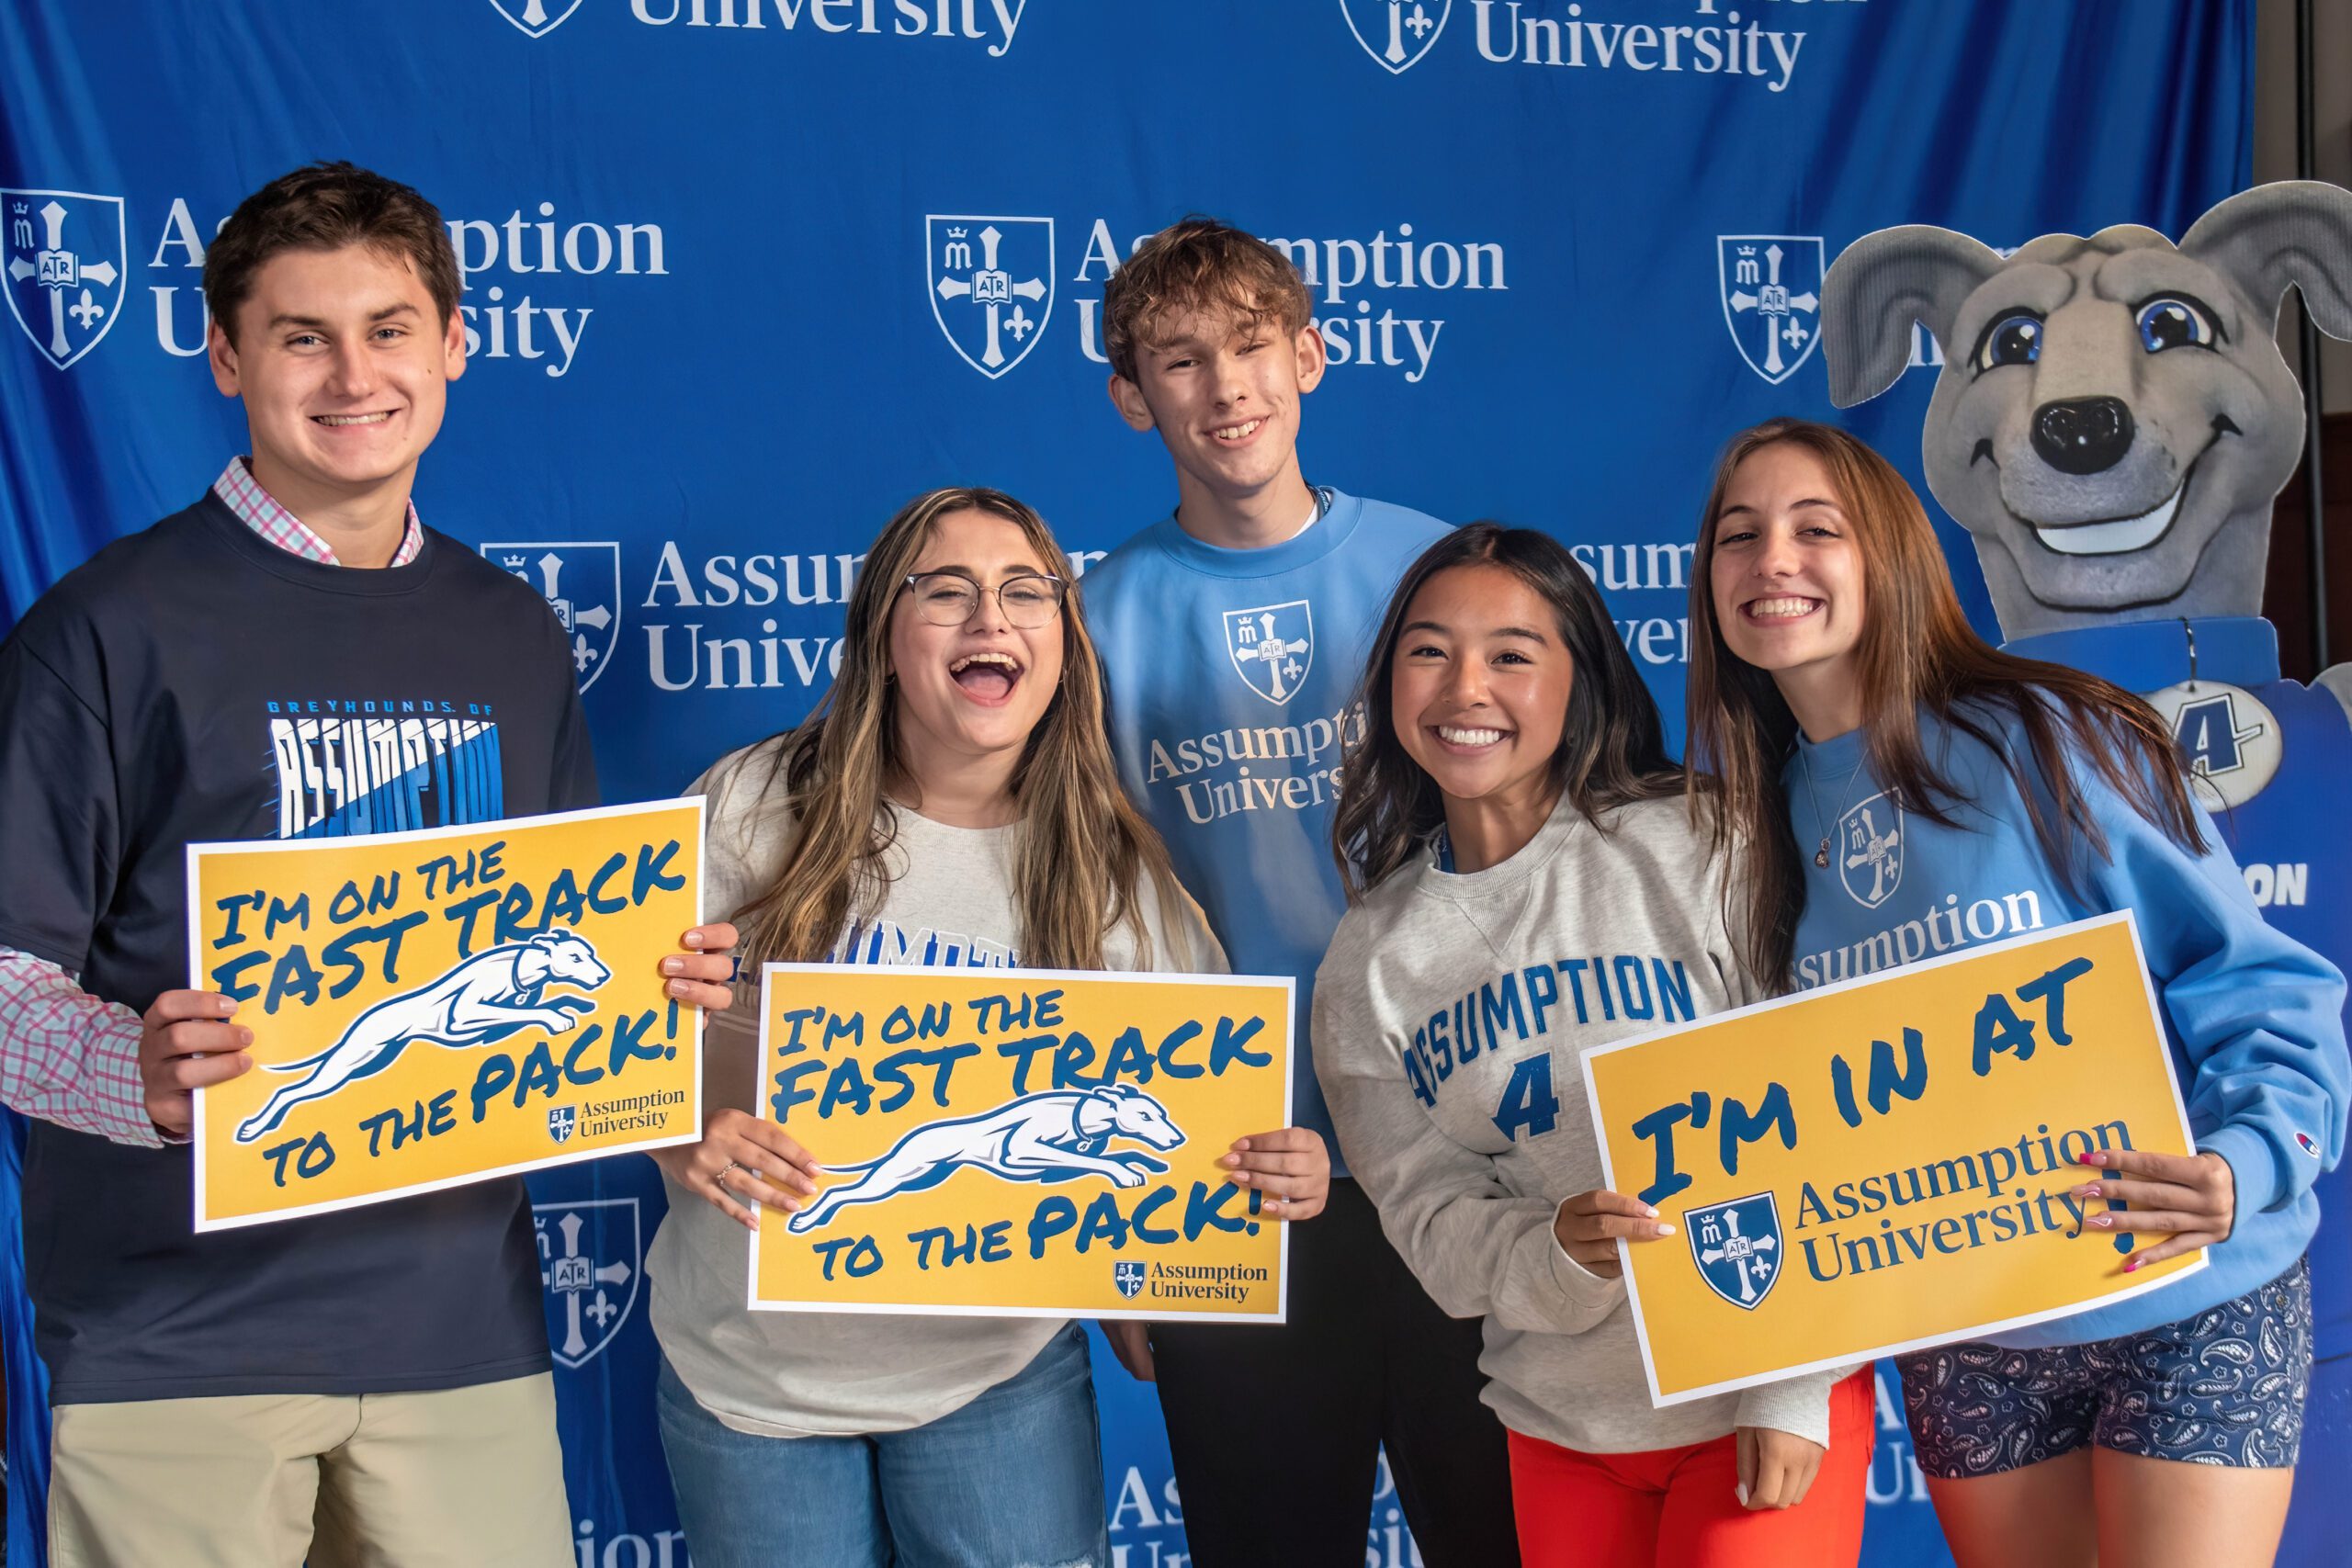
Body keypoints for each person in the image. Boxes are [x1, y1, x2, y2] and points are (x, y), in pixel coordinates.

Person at [0, 162, 740, 1566]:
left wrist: (664, 996)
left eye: (390, 328)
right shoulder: (107, 628)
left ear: (455, 344)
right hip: (179, 1336)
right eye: (302, 335)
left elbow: (573, 951)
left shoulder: (510, 631)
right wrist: (134, 1078)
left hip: (462, 1324)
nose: (355, 374)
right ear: (226, 356)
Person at [1687, 417, 2348, 1568]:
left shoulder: (2044, 734)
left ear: (1887, 554)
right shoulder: (1746, 823)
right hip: (1971, 1320)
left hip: (2181, 1284)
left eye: (1814, 529)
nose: (1771, 562)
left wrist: (2247, 1167)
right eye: (1737, 537)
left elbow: (2252, 975)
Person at [643, 485, 1329, 1568]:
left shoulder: (1115, 871)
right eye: (946, 591)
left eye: (1023, 591)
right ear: (880, 634)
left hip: (994, 1378)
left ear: (1063, 639)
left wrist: (1261, 1180)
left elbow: (1204, 1128)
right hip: (749, 1372)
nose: (989, 620)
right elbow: (606, 1037)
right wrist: (679, 1133)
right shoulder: (756, 802)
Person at [1082, 216, 1519, 1567]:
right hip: (1239, 1173)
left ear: (1313, 355)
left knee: (1503, 1536)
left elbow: (1541, 852)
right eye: (1182, 360)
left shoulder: (1437, 572)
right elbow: (1079, 911)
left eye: (1254, 345)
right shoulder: (1095, 618)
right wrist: (1127, 1223)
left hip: (1469, 1149)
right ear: (1131, 396)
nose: (1227, 389)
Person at [1314, 524, 1875, 1568]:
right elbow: (1433, 1223)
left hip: (1754, 1386)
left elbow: (1830, 1103)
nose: (1464, 688)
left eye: (1512, 655)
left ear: (1583, 678)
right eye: (1428, 651)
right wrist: (1560, 1255)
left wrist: (1794, 1383)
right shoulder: (1369, 962)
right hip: (1562, 1425)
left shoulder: (1703, 842)